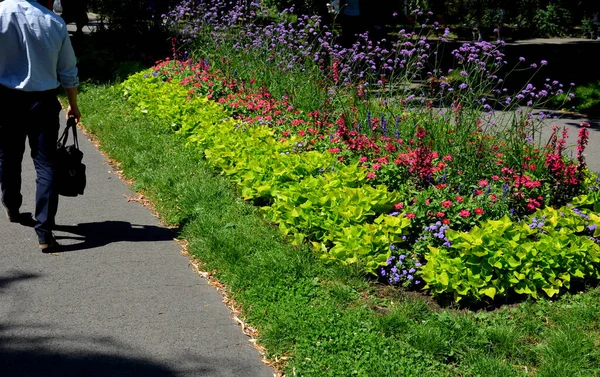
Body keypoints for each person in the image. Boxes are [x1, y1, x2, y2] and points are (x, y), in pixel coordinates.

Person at [0, 0, 81, 253]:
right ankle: (45, 231)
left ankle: (12, 207)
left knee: (9, 156)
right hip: (43, 102)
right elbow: (68, 69)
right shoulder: (53, 21)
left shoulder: (1, 11)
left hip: (6, 98)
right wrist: (73, 104)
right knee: (46, 164)